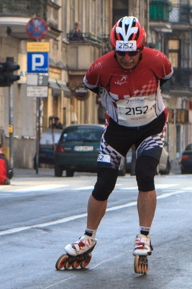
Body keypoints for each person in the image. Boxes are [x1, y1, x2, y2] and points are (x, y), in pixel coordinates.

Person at [58, 16, 173, 273]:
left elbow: (164, 80)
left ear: (141, 49)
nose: (127, 59)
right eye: (121, 53)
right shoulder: (100, 68)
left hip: (151, 128)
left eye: (132, 53)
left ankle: (144, 236)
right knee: (104, 183)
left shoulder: (159, 62)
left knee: (145, 174)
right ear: (114, 49)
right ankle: (88, 237)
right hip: (117, 130)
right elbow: (90, 87)